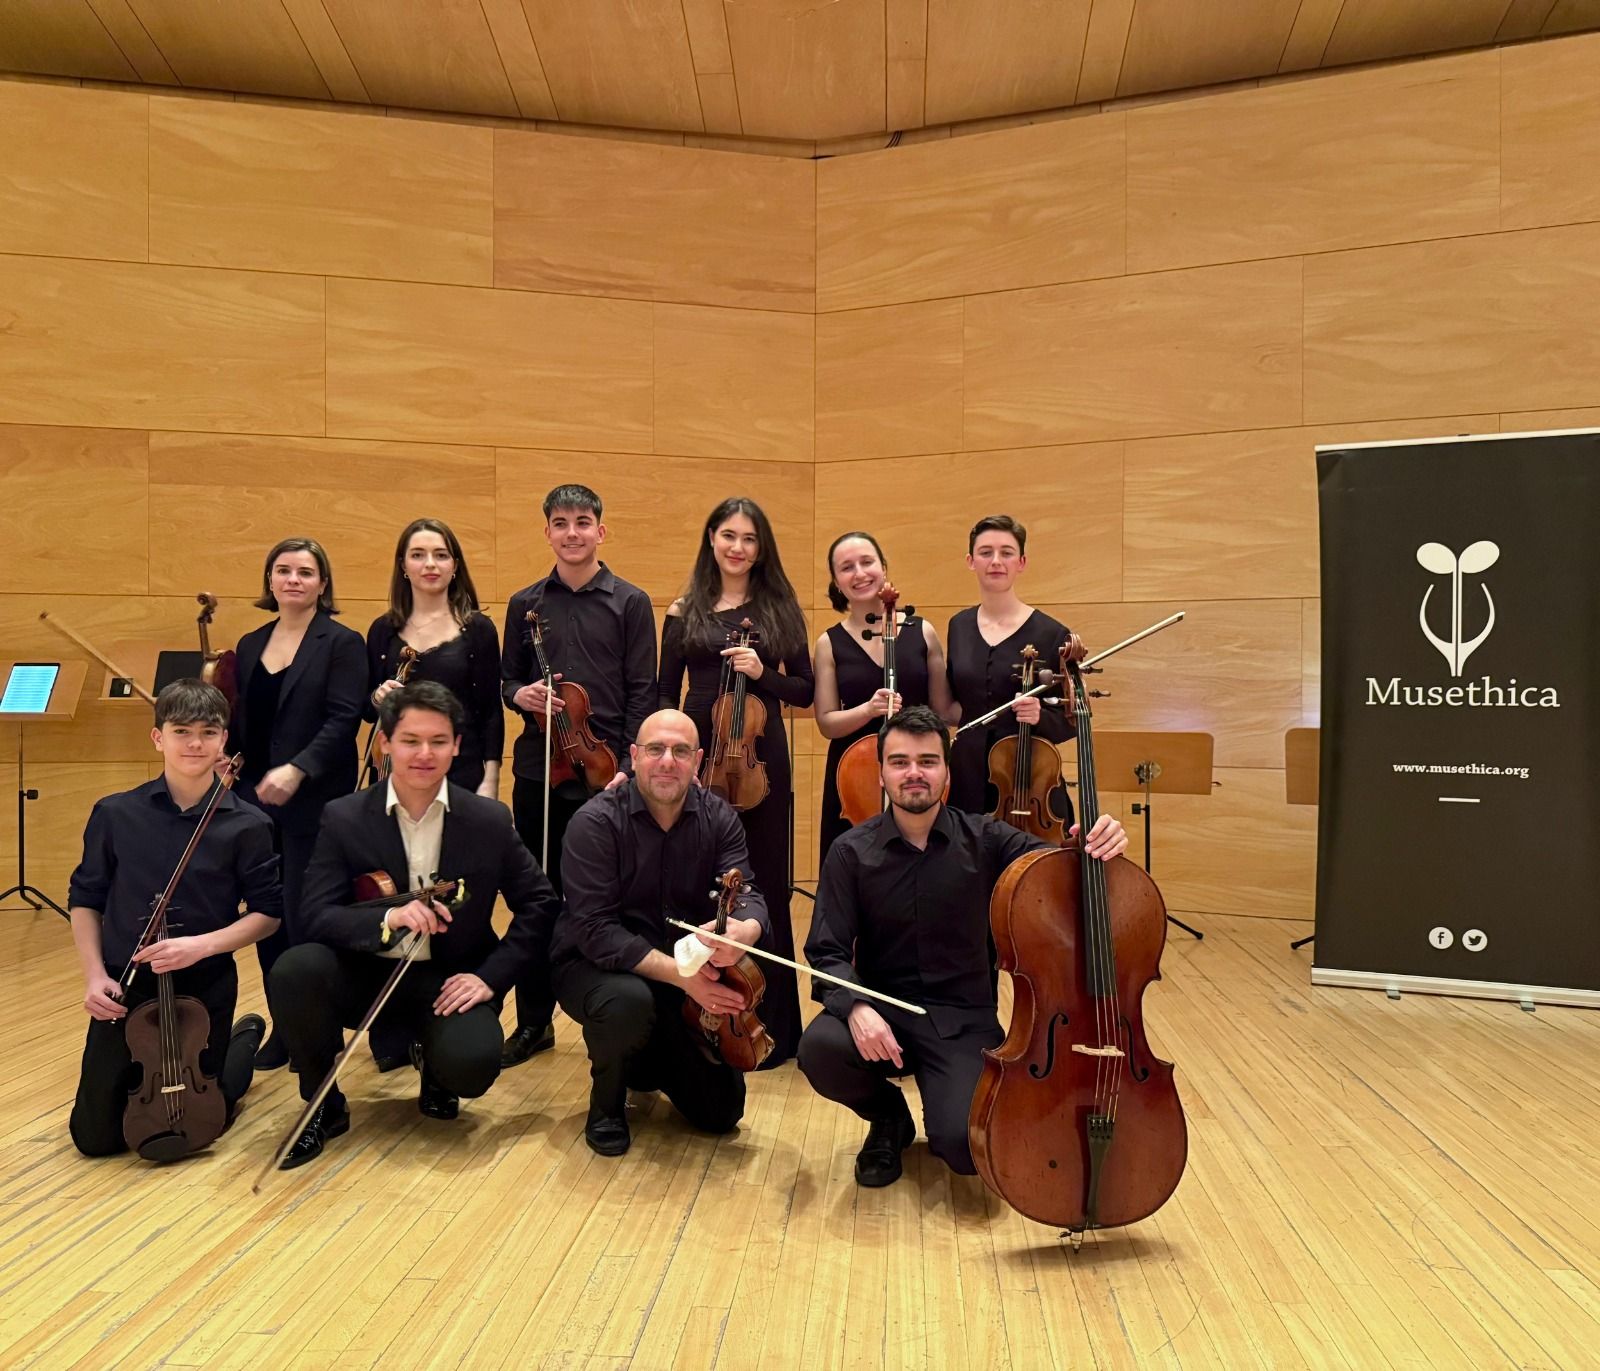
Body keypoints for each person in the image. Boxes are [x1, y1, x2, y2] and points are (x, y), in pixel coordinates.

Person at [797, 705, 1128, 1187]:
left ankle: (947, 1109)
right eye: (900, 762)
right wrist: (856, 1008)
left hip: (961, 1020)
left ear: (947, 773)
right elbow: (826, 951)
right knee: (820, 1049)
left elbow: (1056, 869)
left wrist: (1092, 847)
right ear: (882, 773)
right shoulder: (850, 852)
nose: (914, 773)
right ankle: (888, 1118)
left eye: (928, 761)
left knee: (966, 1148)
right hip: (882, 1011)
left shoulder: (987, 839)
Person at [269, 680, 560, 1170]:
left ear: (457, 746)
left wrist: (489, 978)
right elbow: (314, 913)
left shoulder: (489, 819)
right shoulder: (344, 817)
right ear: (385, 743)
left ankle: (438, 1071)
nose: (425, 754)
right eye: (410, 741)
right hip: (365, 974)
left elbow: (540, 903)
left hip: (447, 981)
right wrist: (389, 917)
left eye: (438, 741)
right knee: (295, 970)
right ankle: (322, 1104)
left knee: (473, 1065)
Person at [66, 679, 282, 1158]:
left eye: (208, 732)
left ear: (223, 740)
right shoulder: (115, 813)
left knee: (199, 1119)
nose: (195, 744)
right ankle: (238, 1044)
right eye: (181, 731)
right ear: (157, 737)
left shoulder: (249, 824)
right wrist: (95, 976)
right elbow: (85, 899)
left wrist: (201, 945)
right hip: (127, 983)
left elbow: (267, 915)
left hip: (203, 985)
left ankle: (239, 1047)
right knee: (96, 1140)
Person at [553, 709, 769, 1157]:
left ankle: (641, 1060)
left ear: (698, 761)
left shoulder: (719, 817)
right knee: (627, 1003)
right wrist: (683, 978)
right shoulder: (594, 823)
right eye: (655, 750)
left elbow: (747, 892)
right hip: (595, 967)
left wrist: (744, 931)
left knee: (721, 1112)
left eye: (681, 751)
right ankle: (607, 1105)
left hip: (676, 972)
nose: (667, 761)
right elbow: (595, 930)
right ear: (634, 757)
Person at [499, 484, 657, 1067]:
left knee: (610, 900)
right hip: (539, 772)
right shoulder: (525, 603)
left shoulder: (631, 602)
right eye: (561, 523)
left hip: (607, 774)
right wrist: (520, 694)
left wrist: (629, 766)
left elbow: (643, 689)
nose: (572, 532)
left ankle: (615, 1022)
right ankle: (534, 1022)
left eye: (583, 521)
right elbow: (506, 679)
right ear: (547, 532)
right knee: (537, 899)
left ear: (600, 531)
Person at [658, 497, 811, 1065]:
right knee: (697, 880)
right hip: (698, 754)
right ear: (711, 539)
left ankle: (774, 1029)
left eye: (749, 538)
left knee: (764, 882)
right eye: (728, 535)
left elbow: (804, 691)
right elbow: (663, 692)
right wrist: (672, 756)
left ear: (761, 547)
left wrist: (762, 672)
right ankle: (701, 1027)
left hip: (759, 760)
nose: (738, 547)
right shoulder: (684, 609)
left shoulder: (780, 609)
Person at [231, 536, 366, 1068]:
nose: (293, 579)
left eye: (306, 572)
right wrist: (228, 757)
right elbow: (247, 721)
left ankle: (317, 1031)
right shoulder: (250, 643)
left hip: (315, 801)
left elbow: (344, 718)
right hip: (254, 801)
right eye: (283, 570)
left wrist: (297, 768)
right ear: (270, 580)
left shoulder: (341, 642)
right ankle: (285, 1028)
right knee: (268, 915)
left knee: (304, 916)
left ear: (322, 584)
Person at [812, 530, 956, 866]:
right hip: (852, 777)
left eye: (867, 562)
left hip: (917, 769)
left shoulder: (923, 631)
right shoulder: (828, 643)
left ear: (884, 567)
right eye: (847, 567)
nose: (859, 573)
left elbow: (944, 711)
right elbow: (827, 723)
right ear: (836, 581)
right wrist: (868, 709)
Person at [945, 515, 1081, 821]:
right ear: (971, 561)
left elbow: (1072, 720)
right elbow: (954, 701)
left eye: (1006, 553)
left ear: (1021, 562)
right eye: (986, 552)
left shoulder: (1052, 634)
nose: (996, 561)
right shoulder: (959, 626)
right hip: (966, 777)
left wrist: (1040, 716)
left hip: (1026, 781)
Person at [365, 517, 503, 797]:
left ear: (455, 566)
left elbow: (490, 712)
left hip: (461, 771)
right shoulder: (383, 630)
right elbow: (367, 711)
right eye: (418, 555)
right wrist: (378, 698)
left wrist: (490, 780)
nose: (430, 564)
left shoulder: (479, 630)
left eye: (441, 555)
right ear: (403, 566)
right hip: (394, 770)